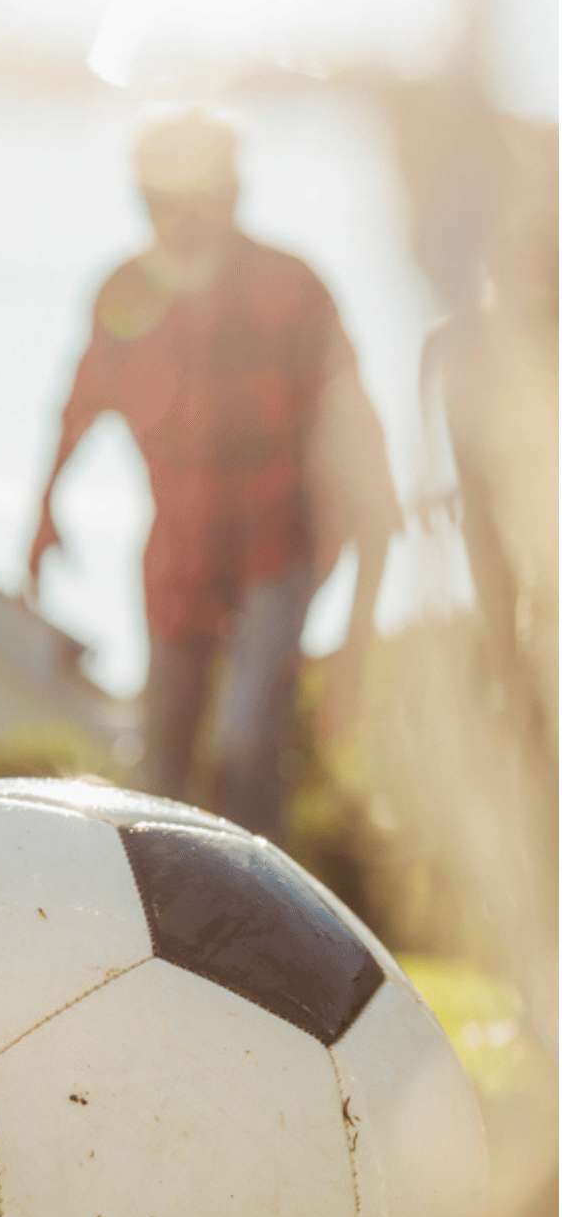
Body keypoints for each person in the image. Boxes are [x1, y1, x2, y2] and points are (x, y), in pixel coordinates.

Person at [27, 110, 397, 842]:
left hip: (278, 548)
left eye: (199, 200)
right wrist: (43, 513)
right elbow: (76, 406)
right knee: (160, 761)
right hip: (178, 558)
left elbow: (358, 440)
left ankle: (261, 936)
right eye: (160, 201)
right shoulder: (124, 291)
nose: (179, 220)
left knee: (248, 742)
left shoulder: (290, 288)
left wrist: (360, 624)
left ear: (230, 197)